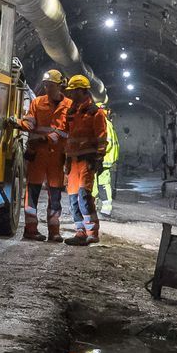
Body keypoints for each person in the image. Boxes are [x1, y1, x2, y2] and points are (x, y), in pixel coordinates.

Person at [19, 68, 69, 242]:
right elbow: (30, 121)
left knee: (55, 196)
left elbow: (63, 132)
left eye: (50, 85)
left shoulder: (68, 106)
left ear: (59, 86)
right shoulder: (38, 102)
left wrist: (42, 139)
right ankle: (30, 229)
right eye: (45, 85)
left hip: (56, 158)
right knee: (32, 194)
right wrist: (20, 123)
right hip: (38, 156)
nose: (47, 88)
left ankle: (54, 231)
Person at [62, 76, 109, 246]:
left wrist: (98, 158)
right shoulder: (71, 113)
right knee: (73, 199)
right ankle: (80, 231)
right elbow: (68, 137)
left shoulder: (94, 112)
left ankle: (92, 232)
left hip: (87, 161)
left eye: (74, 90)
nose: (71, 94)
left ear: (82, 90)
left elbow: (102, 138)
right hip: (73, 162)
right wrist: (66, 161)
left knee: (84, 196)